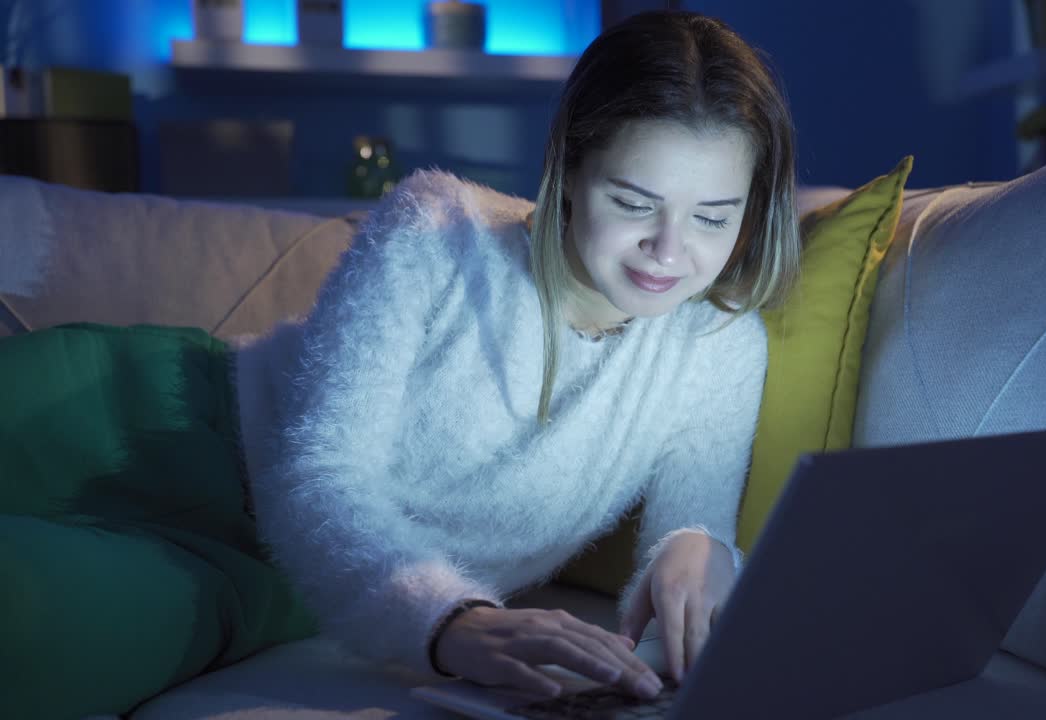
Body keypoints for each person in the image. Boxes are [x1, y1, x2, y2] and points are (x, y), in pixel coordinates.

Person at [0, 10, 800, 717]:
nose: (670, 250)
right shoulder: (435, 229)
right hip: (153, 413)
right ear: (570, 172)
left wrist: (696, 547)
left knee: (26, 625)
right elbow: (321, 472)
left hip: (286, 587)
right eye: (633, 202)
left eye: (712, 216)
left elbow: (692, 529)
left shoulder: (719, 346)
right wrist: (453, 623)